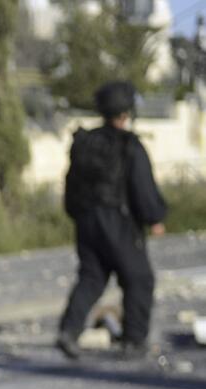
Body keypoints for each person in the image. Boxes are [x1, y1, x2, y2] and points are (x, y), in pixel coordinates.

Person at [57, 80, 167, 361]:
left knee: (92, 277)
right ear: (125, 113)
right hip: (118, 222)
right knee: (139, 279)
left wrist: (78, 215)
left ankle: (68, 332)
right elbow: (142, 186)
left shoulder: (84, 142)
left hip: (86, 222)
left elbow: (70, 185)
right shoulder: (129, 145)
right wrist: (154, 217)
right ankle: (134, 340)